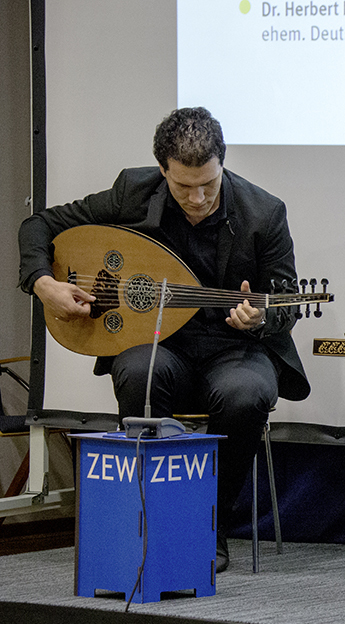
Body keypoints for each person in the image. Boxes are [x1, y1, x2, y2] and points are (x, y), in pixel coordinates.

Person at [18, 107, 309, 573]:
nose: (197, 198)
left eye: (208, 184)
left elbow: (286, 302)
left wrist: (258, 319)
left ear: (222, 163)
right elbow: (40, 224)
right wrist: (43, 283)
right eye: (183, 186)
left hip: (234, 348)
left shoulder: (264, 212)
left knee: (246, 394)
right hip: (158, 344)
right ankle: (150, 522)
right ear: (162, 171)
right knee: (138, 371)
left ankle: (208, 524)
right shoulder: (132, 192)